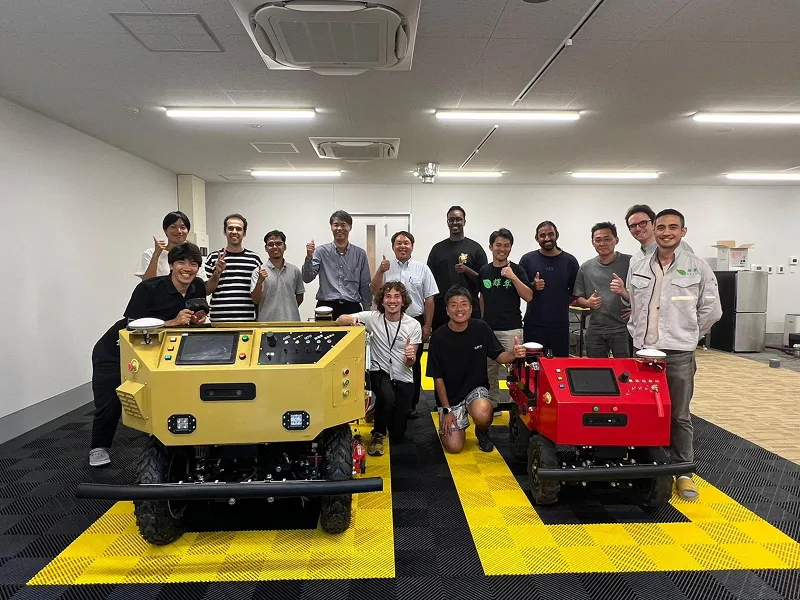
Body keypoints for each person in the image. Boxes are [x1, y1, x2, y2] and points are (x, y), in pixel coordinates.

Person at [627, 209, 721, 500]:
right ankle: (645, 463)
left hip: (679, 352)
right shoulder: (638, 265)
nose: (666, 232)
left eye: (673, 227)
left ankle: (683, 471)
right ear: (654, 231)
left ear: (683, 231)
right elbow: (634, 304)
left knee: (679, 414)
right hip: (643, 352)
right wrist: (637, 335)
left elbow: (712, 310)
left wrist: (690, 336)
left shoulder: (697, 267)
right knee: (644, 410)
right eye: (661, 227)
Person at [89, 243, 208, 467]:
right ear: (171, 265)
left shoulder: (197, 286)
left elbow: (197, 312)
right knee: (113, 401)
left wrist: (196, 320)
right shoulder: (148, 289)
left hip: (155, 351)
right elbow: (132, 326)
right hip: (116, 350)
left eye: (193, 264)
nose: (187, 268)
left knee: (164, 395)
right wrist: (172, 322)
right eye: (181, 262)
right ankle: (98, 447)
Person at [426, 285, 527, 454]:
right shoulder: (438, 337)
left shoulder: (481, 328)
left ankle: (482, 431)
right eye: (454, 305)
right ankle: (453, 423)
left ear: (471, 308)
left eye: (464, 304)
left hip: (475, 390)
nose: (459, 309)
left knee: (483, 412)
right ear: (447, 310)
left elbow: (500, 356)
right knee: (454, 447)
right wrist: (446, 410)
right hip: (451, 398)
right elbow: (437, 378)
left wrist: (514, 354)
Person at [337, 282, 422, 456]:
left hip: (403, 376)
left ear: (403, 300)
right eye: (388, 296)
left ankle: (377, 409)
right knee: (387, 397)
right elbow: (339, 319)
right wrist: (350, 320)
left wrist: (410, 356)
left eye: (397, 296)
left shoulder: (413, 325)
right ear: (381, 301)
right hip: (379, 370)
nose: (392, 301)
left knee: (398, 432)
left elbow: (409, 364)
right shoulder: (372, 317)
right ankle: (378, 433)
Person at [370, 231, 438, 417]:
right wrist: (380, 271)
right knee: (383, 360)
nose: (402, 246)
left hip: (415, 321)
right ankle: (383, 400)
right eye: (398, 243)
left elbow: (429, 299)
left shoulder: (422, 269)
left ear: (412, 246)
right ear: (393, 247)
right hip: (388, 320)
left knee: (412, 363)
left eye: (406, 243)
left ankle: (410, 404)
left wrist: (427, 326)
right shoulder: (386, 267)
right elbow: (375, 290)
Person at [478, 228, 532, 408]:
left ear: (511, 248)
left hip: (511, 329)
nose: (502, 249)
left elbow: (529, 296)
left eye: (506, 246)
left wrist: (513, 277)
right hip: (489, 330)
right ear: (491, 247)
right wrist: (483, 320)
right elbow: (482, 297)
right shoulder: (485, 270)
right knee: (488, 371)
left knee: (515, 370)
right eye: (498, 245)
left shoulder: (516, 269)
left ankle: (516, 404)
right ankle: (492, 404)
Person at [519, 221, 579, 357]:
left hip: (560, 325)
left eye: (550, 234)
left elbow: (576, 292)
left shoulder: (570, 261)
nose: (547, 238)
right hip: (534, 324)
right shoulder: (527, 259)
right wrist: (533, 285)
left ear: (556, 235)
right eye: (543, 235)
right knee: (532, 367)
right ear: (536, 238)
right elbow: (521, 289)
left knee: (559, 367)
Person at [573, 222, 632, 358]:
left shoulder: (630, 262)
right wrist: (588, 303)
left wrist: (633, 306)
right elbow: (578, 297)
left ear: (616, 240)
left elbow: (643, 295)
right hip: (595, 327)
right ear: (592, 242)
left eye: (607, 239)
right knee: (595, 370)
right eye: (598, 240)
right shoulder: (586, 267)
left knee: (625, 370)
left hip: (623, 328)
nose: (602, 243)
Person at [426, 206, 488, 331]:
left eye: (458, 219)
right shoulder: (437, 250)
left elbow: (485, 280)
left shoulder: (475, 248)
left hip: (469, 308)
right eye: (451, 220)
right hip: (442, 310)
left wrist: (467, 270)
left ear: (464, 221)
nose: (455, 222)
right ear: (447, 222)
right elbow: (429, 283)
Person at [302, 210, 372, 319]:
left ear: (350, 227)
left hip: (351, 306)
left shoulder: (360, 254)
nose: (339, 228)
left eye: (343, 225)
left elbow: (365, 285)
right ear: (331, 227)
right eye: (336, 225)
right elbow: (307, 278)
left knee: (353, 336)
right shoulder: (321, 251)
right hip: (326, 307)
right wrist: (309, 258)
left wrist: (368, 311)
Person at [204, 214, 262, 322]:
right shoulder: (213, 258)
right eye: (230, 228)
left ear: (244, 233)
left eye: (238, 229)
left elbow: (258, 294)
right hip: (218, 321)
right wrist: (217, 273)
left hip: (247, 320)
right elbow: (206, 291)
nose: (234, 232)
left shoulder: (254, 259)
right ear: (225, 231)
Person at [250, 230, 305, 322]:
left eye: (279, 243)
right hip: (266, 325)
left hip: (292, 323)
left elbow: (299, 297)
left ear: (285, 247)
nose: (275, 247)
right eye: (271, 244)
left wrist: (287, 311)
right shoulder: (258, 271)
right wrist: (259, 282)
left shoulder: (294, 270)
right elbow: (255, 300)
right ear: (266, 248)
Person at [625, 204, 694, 262]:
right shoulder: (635, 260)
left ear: (654, 225)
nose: (638, 228)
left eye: (643, 223)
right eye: (633, 226)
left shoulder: (678, 246)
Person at [135, 211, 192, 280]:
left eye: (183, 227)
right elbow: (147, 283)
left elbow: (201, 283)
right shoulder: (150, 253)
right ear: (165, 230)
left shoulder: (193, 255)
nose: (179, 231)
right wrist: (156, 255)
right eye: (173, 227)